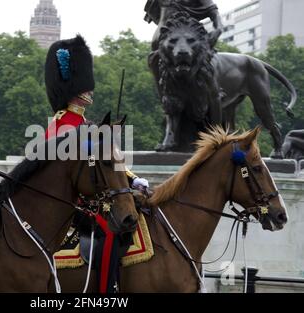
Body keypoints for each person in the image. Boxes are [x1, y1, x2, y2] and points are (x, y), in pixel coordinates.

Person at [44, 35, 149, 292]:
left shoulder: (86, 125)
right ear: (72, 89)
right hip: (73, 201)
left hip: (95, 196)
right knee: (110, 232)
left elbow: (105, 162)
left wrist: (132, 178)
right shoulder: (61, 125)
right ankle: (106, 291)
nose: (90, 90)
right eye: (85, 87)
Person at [144, 0, 224, 50]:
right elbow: (153, 14)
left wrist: (219, 29)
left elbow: (213, 12)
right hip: (163, 31)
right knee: (154, 58)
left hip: (187, 32)